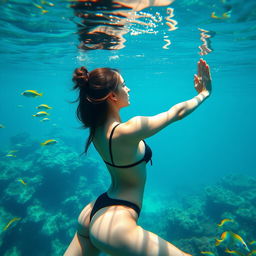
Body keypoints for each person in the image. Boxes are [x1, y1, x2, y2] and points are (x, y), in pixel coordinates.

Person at [64, 58, 212, 256]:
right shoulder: (127, 130)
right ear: (112, 96)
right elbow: (176, 113)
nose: (129, 89)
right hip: (115, 222)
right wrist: (204, 93)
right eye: (124, 85)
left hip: (93, 211)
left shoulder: (96, 128)